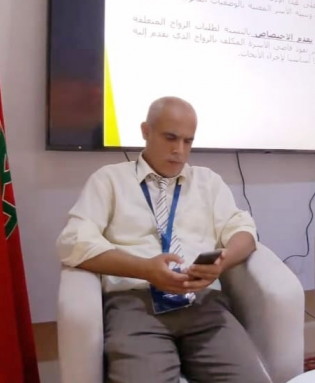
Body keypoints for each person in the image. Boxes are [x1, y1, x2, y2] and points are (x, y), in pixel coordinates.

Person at [56, 97, 270, 383]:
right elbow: (73, 241)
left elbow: (243, 229)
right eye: (170, 138)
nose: (179, 150)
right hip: (135, 303)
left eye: (187, 141)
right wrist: (145, 269)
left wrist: (222, 262)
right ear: (146, 131)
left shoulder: (208, 182)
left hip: (203, 303)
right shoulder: (109, 180)